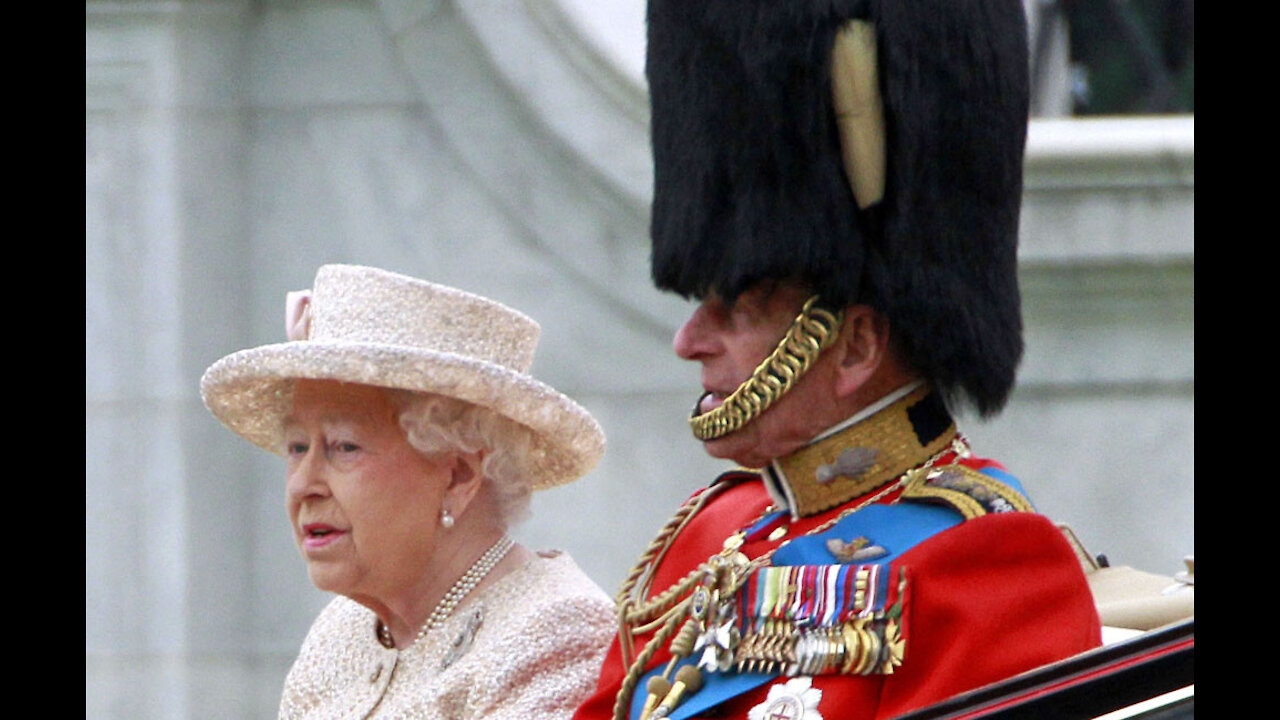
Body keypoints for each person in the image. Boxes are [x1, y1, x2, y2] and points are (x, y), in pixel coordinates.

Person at [573, 1, 1102, 718]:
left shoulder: (989, 563)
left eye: (734, 310)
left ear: (853, 345)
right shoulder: (710, 530)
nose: (688, 340)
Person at [201, 263, 615, 719]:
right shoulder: (342, 632)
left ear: (457, 475)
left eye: (344, 447)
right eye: (298, 447)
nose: (303, 485)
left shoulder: (557, 633)